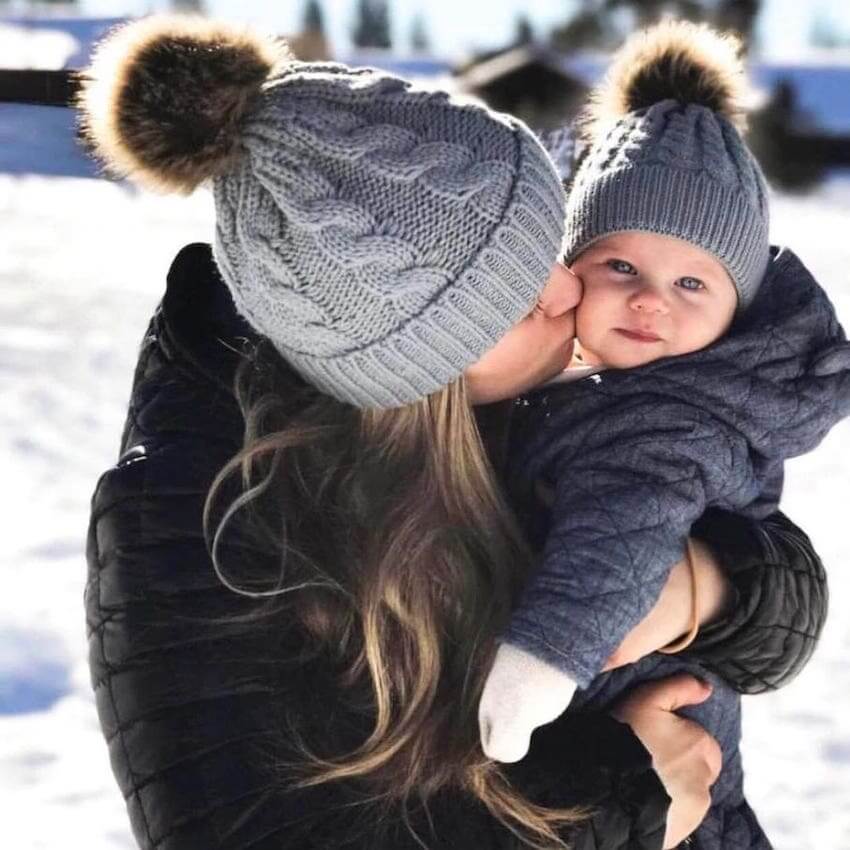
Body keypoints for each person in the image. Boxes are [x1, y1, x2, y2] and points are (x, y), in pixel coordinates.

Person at [80, 15, 827, 850]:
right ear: (423, 366)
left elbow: (755, 556)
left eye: (551, 248)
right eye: (512, 298)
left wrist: (719, 585)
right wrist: (622, 802)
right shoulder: (191, 519)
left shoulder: (541, 394)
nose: (567, 291)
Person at [478, 20, 849, 849]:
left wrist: (532, 674)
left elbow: (621, 537)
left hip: (648, 749)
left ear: (735, 312)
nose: (651, 302)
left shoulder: (665, 418)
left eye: (691, 282)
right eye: (621, 269)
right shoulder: (594, 384)